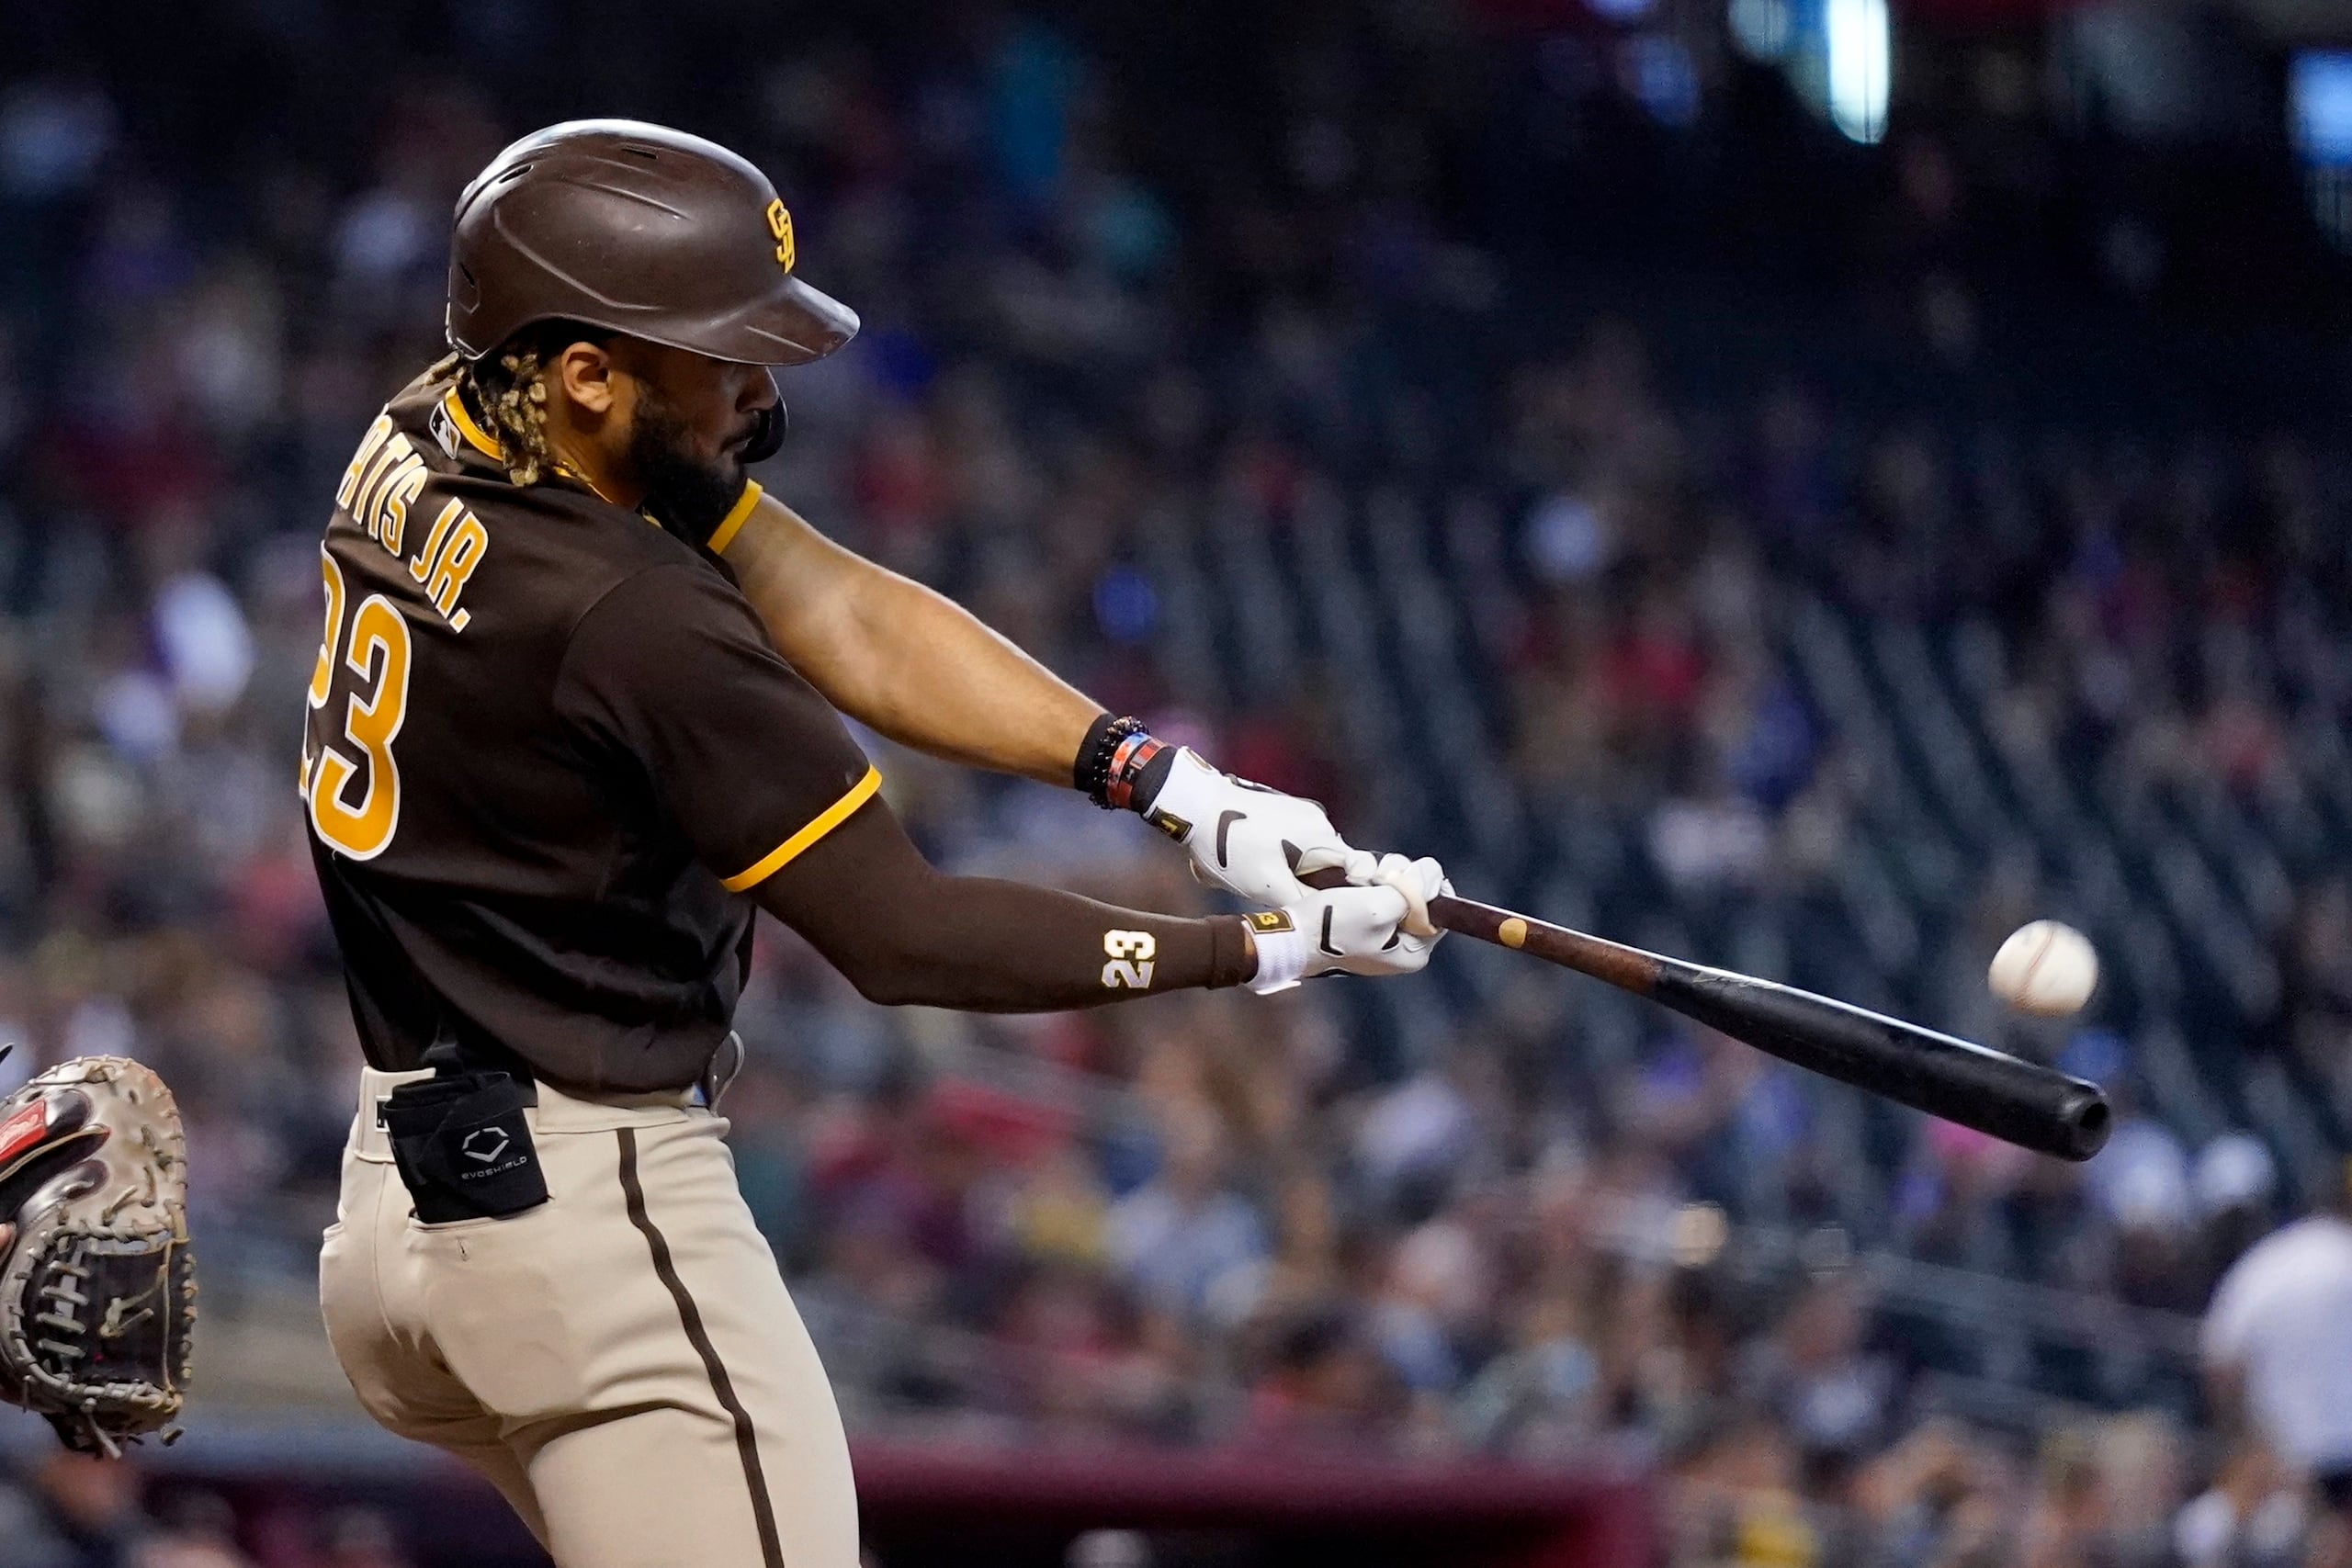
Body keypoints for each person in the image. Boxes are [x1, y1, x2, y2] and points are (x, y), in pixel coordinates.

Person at [307, 119, 1445, 1568]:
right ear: (587, 370)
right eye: (719, 354)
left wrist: (1179, 791)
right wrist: (1272, 950)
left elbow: (828, 598)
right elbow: (904, 936)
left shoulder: (432, 424)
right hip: (595, 1224)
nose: (758, 388)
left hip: (406, 1220)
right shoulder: (632, 618)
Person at [2203, 1160, 2352, 1567]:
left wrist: (2246, 1439)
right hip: (2334, 1463)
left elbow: (2220, 1361)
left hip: (2274, 1459)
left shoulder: (2269, 1260)